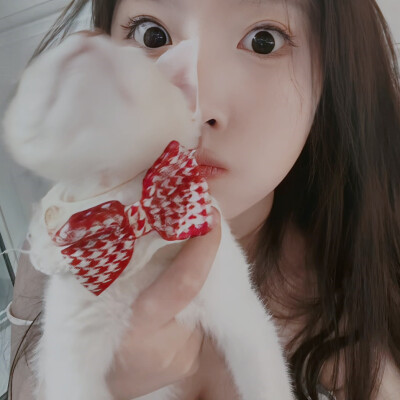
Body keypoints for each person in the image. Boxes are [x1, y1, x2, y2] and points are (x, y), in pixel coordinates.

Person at [6, 0, 400, 399]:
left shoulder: (379, 286)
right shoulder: (60, 244)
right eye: (151, 35)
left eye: (263, 41)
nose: (195, 106)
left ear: (334, 72)